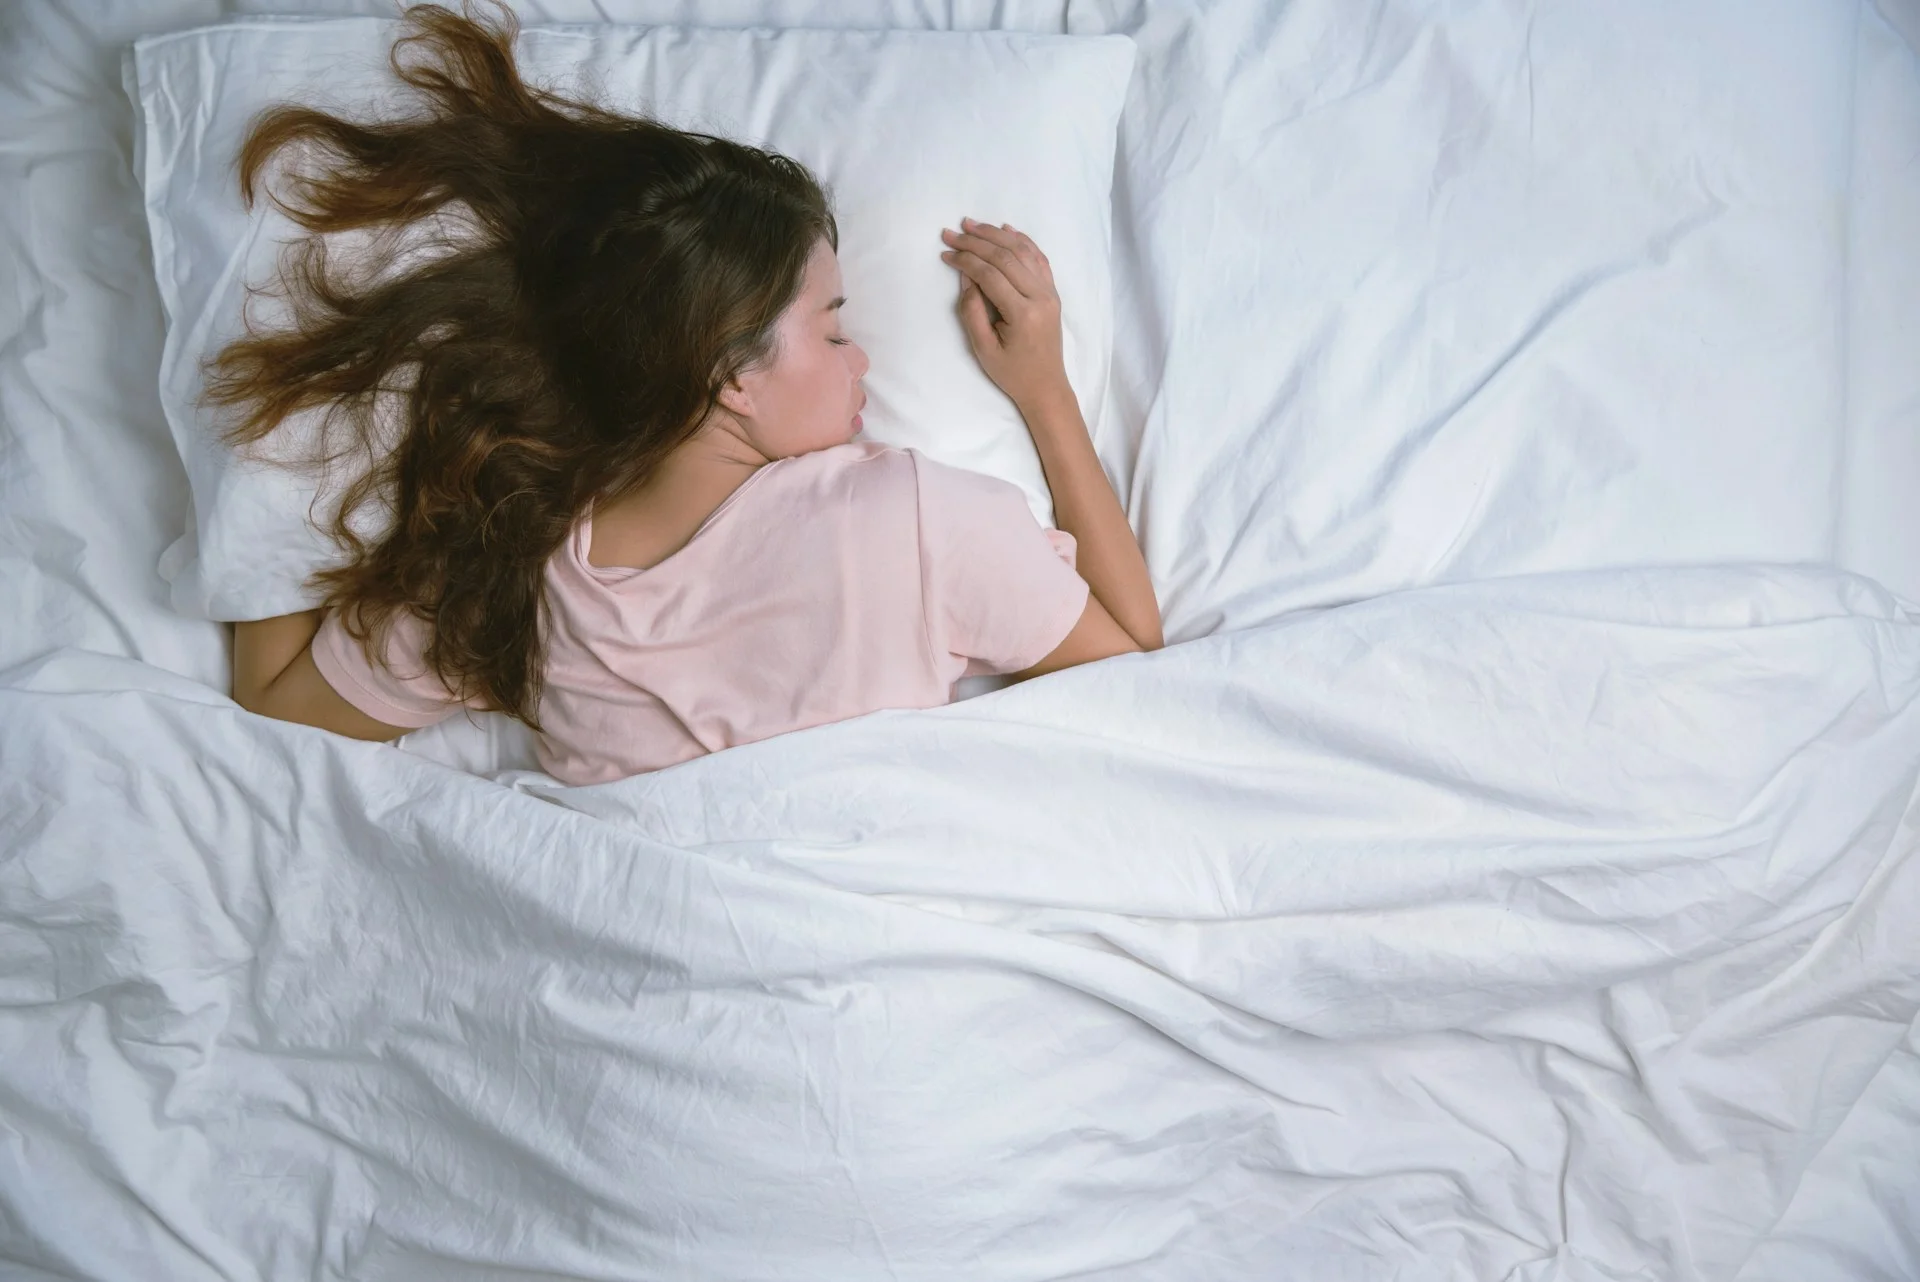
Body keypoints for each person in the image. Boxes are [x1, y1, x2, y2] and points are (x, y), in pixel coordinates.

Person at [223, 0, 1162, 785]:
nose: (861, 361)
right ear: (730, 375)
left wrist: (264, 433)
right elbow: (1131, 670)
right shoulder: (919, 520)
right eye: (832, 328)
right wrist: (1046, 392)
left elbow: (277, 710)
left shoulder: (514, 567)